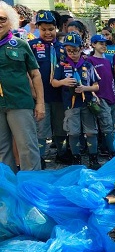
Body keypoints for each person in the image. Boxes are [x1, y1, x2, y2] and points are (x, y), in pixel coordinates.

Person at [0, 1, 44, 172]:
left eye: (2, 19)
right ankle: (8, 189)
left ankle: (31, 189)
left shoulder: (20, 44)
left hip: (20, 103)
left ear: (10, 21)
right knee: (2, 150)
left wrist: (40, 103)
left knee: (27, 147)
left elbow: (35, 74)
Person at [51, 32, 101, 169]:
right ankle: (76, 159)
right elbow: (54, 82)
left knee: (91, 131)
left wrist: (85, 88)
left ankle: (93, 158)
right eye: (69, 50)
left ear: (81, 48)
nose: (72, 53)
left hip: (87, 103)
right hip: (70, 105)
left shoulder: (87, 65)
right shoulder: (62, 66)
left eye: (75, 50)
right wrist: (64, 81)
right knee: (73, 132)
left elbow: (97, 86)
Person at [28, 10, 72, 166]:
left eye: (51, 29)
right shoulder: (32, 46)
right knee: (41, 127)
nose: (48, 33)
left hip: (59, 95)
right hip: (41, 96)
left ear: (56, 28)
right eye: (44, 29)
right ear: (38, 29)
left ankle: (62, 153)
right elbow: (27, 72)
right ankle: (39, 156)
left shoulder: (63, 48)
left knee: (61, 126)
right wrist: (33, 92)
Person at [88, 34, 115, 157]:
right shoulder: (89, 61)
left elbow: (111, 80)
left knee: (111, 124)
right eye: (101, 43)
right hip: (100, 98)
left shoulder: (107, 61)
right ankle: (112, 152)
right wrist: (94, 95)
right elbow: (89, 80)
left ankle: (105, 148)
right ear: (94, 44)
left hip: (110, 96)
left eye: (105, 44)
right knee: (107, 126)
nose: (104, 46)